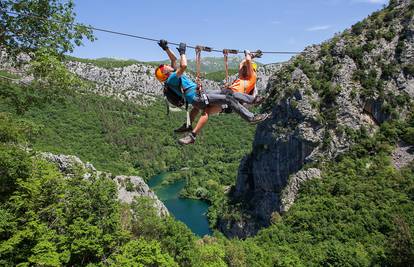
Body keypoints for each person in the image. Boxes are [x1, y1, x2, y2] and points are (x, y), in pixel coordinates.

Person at [154, 40, 269, 145]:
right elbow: (183, 65)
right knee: (228, 99)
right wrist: (183, 53)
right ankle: (250, 117)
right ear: (165, 73)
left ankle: (253, 100)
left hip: (197, 94)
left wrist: (166, 48)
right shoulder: (172, 78)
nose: (168, 66)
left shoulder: (171, 77)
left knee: (226, 92)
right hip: (197, 96)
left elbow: (174, 60)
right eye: (165, 68)